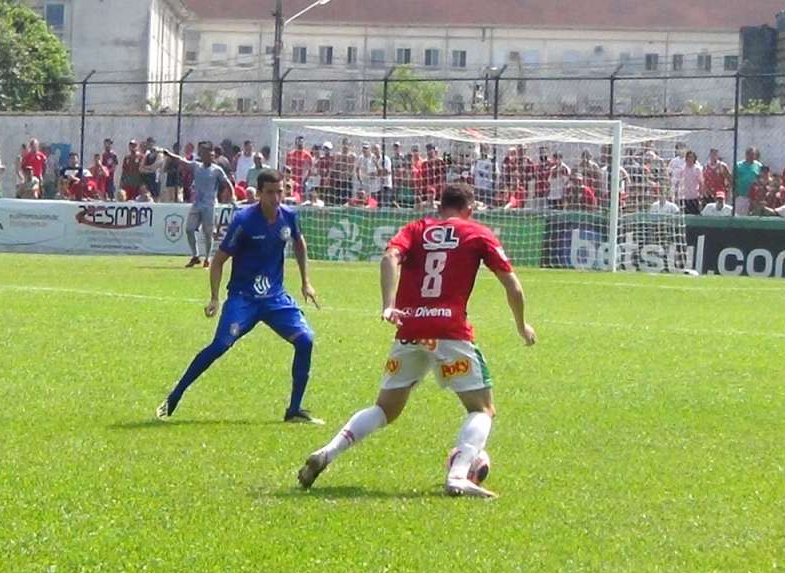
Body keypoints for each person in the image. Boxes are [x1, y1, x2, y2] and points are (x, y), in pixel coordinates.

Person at [296, 182, 536, 498]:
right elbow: (513, 286)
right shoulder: (477, 232)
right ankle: (459, 475)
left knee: (385, 409)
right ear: (469, 208)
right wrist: (521, 326)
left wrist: (388, 304)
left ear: (440, 205)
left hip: (410, 329)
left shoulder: (416, 228)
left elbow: (389, 257)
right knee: (482, 409)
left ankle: (328, 451)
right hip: (450, 332)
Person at [155, 169, 322, 424]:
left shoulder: (289, 217)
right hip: (243, 299)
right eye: (270, 193)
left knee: (306, 340)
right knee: (220, 345)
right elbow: (219, 261)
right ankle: (175, 395)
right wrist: (214, 297)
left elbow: (299, 244)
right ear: (260, 193)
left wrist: (306, 282)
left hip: (275, 298)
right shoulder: (244, 220)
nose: (276, 198)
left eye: (280, 192)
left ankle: (294, 410)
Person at [163, 146, 232, 268]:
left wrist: (232, 195)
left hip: (209, 205)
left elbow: (227, 183)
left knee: (208, 233)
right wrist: (169, 154)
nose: (210, 158)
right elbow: (181, 160)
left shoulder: (217, 170)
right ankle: (195, 256)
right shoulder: (196, 166)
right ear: (203, 156)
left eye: (212, 156)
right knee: (189, 229)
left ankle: (207, 258)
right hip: (197, 204)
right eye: (207, 155)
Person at [733, 146, 762, 217]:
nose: (752, 156)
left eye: (753, 154)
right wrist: (735, 191)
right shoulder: (738, 165)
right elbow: (733, 179)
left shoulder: (759, 165)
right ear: (746, 154)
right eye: (750, 154)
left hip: (754, 197)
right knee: (739, 215)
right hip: (741, 195)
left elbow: (760, 179)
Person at [677, 151, 703, 215]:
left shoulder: (697, 169)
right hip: (684, 197)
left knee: (695, 214)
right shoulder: (682, 169)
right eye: (688, 157)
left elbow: (701, 183)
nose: (690, 159)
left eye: (691, 157)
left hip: (694, 196)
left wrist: (700, 194)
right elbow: (678, 182)